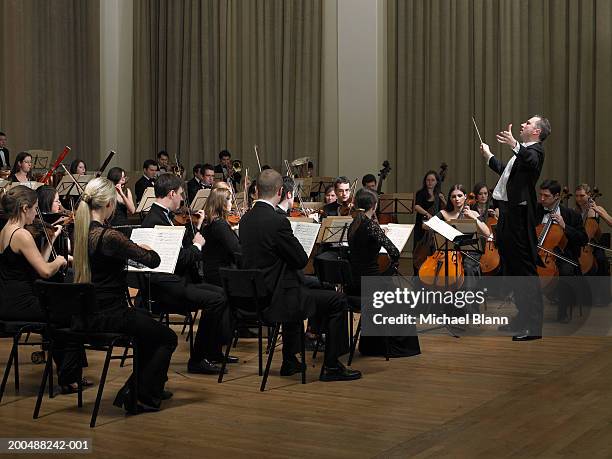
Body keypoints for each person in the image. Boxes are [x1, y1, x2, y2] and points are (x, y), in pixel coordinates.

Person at [240, 169, 361, 381]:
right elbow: (300, 260)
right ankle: (332, 365)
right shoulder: (278, 221)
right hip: (278, 297)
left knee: (318, 287)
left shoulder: (246, 219)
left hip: (256, 294)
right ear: (280, 191)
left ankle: (290, 360)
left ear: (257, 190)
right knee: (338, 300)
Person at [73, 177, 176, 412]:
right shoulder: (109, 236)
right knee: (167, 337)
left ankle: (145, 387)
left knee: (147, 329)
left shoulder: (80, 231)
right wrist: (147, 249)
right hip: (111, 314)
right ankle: (142, 396)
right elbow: (153, 260)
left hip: (87, 313)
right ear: (110, 203)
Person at [141, 173, 232, 375]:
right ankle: (198, 359)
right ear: (172, 193)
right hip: (166, 288)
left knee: (221, 294)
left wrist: (197, 228)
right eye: (181, 194)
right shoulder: (157, 221)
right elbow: (179, 259)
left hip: (175, 282)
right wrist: (197, 247)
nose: (182, 199)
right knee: (216, 299)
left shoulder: (162, 216)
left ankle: (212, 351)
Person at [0, 185, 85, 394]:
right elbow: (46, 271)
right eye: (35, 208)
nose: (36, 213)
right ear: (24, 208)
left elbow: (38, 265)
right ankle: (70, 378)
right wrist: (61, 261)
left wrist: (53, 238)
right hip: (21, 304)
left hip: (8, 301)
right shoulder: (21, 234)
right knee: (72, 316)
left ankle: (68, 376)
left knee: (60, 317)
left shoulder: (5, 230)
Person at [480, 115, 549, 340]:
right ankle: (522, 318)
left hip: (519, 217)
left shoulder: (535, 150)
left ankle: (534, 326)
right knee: (512, 270)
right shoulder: (521, 152)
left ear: (537, 132)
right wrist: (489, 156)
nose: (523, 125)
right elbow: (507, 174)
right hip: (508, 215)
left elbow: (531, 161)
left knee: (525, 272)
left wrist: (513, 144)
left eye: (528, 123)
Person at [347, 188, 421, 357]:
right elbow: (394, 252)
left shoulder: (353, 224)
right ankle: (394, 347)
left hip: (354, 284)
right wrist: (388, 271)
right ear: (374, 206)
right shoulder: (371, 226)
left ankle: (371, 345)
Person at [536, 180, 587, 322]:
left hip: (563, 256)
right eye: (540, 195)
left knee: (566, 271)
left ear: (557, 196)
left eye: (546, 196)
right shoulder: (535, 212)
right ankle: (529, 311)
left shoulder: (571, 215)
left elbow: (583, 239)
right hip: (539, 253)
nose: (542, 199)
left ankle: (563, 311)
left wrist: (565, 226)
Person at [429, 184, 491, 278]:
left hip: (470, 251)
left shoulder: (473, 213)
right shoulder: (444, 213)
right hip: (450, 250)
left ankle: (469, 292)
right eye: (453, 196)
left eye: (460, 196)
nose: (457, 199)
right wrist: (446, 226)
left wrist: (473, 218)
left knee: (468, 267)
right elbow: (426, 226)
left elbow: (487, 232)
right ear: (450, 198)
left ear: (465, 197)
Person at [202, 187, 240, 286]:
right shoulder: (220, 224)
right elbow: (236, 249)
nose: (232, 204)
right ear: (222, 204)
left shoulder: (210, 222)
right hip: (220, 274)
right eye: (230, 201)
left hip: (211, 271)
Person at [412, 170, 445, 274]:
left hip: (435, 228)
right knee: (418, 250)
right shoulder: (421, 193)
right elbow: (416, 206)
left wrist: (443, 199)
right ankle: (417, 274)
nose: (430, 182)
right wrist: (427, 214)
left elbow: (445, 210)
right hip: (422, 226)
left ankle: (432, 273)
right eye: (428, 180)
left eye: (432, 180)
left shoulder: (439, 194)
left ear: (436, 182)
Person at [107, 167, 135, 234]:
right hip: (111, 226)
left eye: (124, 177)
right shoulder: (108, 191)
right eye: (121, 177)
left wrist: (122, 194)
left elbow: (132, 210)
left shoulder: (127, 191)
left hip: (124, 225)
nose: (123, 180)